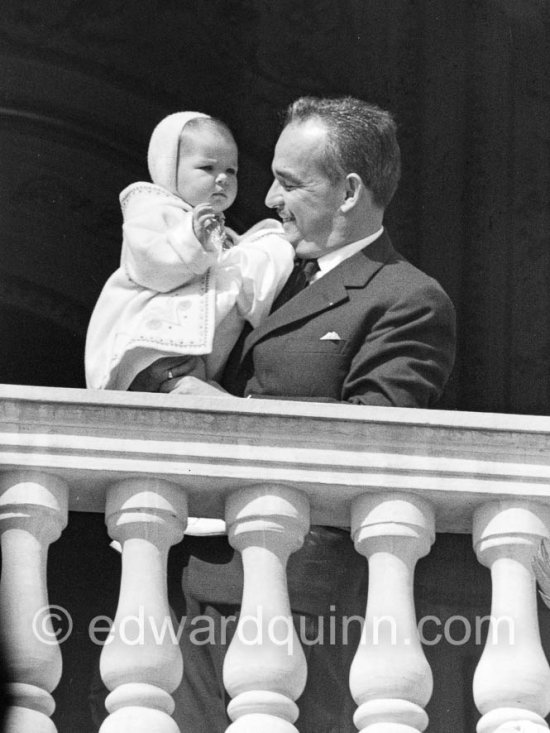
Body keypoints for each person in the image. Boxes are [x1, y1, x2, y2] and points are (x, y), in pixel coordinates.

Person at [129, 96, 457, 732]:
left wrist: (223, 412)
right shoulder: (261, 270)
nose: (269, 200)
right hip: (203, 580)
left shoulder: (409, 299)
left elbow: (371, 448)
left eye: (289, 182)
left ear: (349, 191)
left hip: (308, 601)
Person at [85, 111, 294, 392]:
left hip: (189, 357)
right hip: (152, 347)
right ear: (168, 167)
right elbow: (151, 263)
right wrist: (190, 238)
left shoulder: (218, 230)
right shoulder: (153, 210)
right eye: (207, 168)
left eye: (231, 171)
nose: (222, 179)